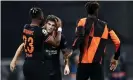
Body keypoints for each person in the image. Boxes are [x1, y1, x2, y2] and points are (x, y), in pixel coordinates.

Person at [10, 14, 71, 80]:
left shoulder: (60, 37)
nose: (50, 27)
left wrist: (66, 65)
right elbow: (22, 46)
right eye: (49, 24)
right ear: (45, 24)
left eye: (53, 25)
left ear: (55, 27)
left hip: (55, 71)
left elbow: (65, 52)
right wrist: (14, 60)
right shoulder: (39, 33)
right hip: (41, 70)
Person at [71, 2, 121, 80]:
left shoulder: (82, 21)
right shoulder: (105, 26)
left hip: (83, 65)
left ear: (87, 11)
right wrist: (115, 58)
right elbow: (118, 42)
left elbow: (79, 37)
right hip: (97, 65)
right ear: (97, 11)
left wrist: (72, 49)